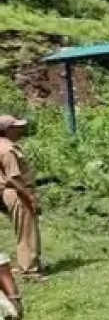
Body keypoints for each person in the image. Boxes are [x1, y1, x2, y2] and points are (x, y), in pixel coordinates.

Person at [0, 116, 43, 280]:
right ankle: (30, 270)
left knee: (22, 230)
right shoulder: (8, 149)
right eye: (16, 127)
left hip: (9, 192)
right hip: (17, 192)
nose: (21, 129)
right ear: (7, 130)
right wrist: (30, 197)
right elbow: (13, 178)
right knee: (27, 231)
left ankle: (26, 263)